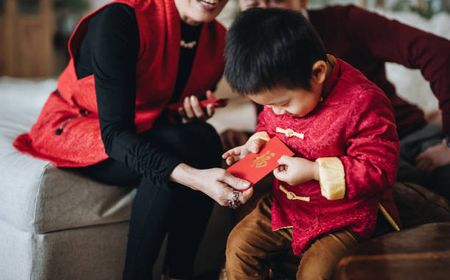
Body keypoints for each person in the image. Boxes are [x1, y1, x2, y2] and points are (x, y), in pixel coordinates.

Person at [13, 0, 254, 279]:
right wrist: (196, 178)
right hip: (83, 123)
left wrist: (186, 115)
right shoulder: (122, 19)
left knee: (204, 137)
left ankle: (178, 273)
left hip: (146, 123)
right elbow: (115, 134)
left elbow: (167, 105)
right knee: (169, 153)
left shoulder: (217, 40)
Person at [222, 8, 400, 279]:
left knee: (316, 271)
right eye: (267, 106)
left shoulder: (363, 102)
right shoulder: (281, 93)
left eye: (282, 104)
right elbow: (268, 125)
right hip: (288, 206)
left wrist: (316, 171)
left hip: (345, 217)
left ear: (317, 73)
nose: (276, 112)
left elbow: (379, 168)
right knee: (238, 246)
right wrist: (255, 144)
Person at [222, 0, 450, 198]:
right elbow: (279, 122)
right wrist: (252, 139)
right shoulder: (250, 51)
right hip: (342, 164)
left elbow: (439, 52)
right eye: (253, 5)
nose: (266, 13)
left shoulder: (346, 22)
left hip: (407, 136)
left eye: (277, 0)